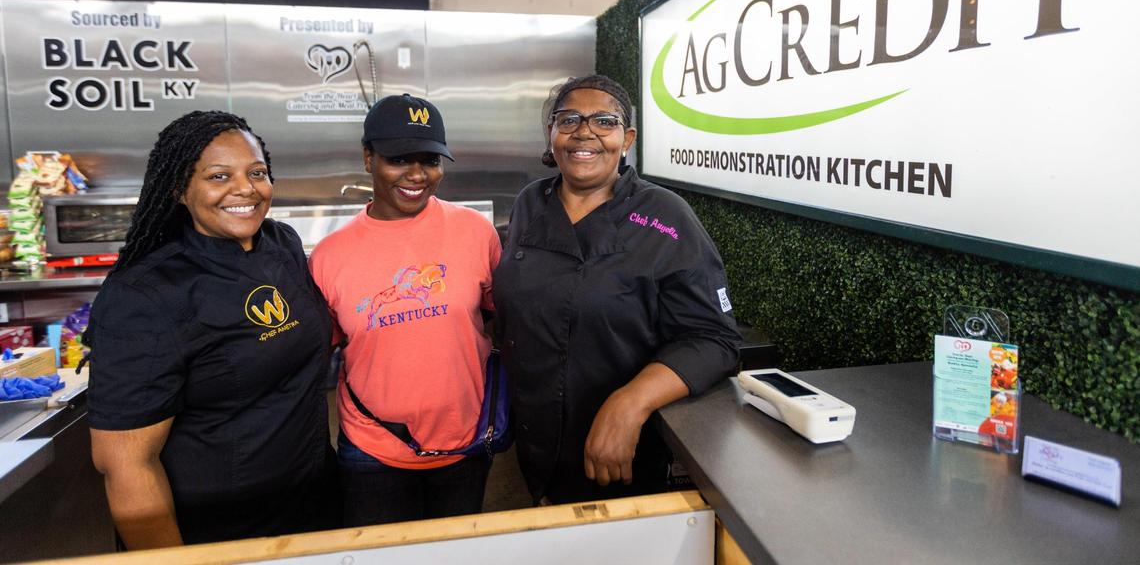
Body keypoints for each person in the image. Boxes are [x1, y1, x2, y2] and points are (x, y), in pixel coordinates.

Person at [86, 110, 337, 549]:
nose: (246, 188)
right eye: (219, 176)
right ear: (179, 189)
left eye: (257, 172)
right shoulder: (144, 296)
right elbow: (125, 464)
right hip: (221, 535)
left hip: (315, 510)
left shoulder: (282, 244)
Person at [493, 75, 741, 504]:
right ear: (551, 133)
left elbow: (714, 340)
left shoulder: (665, 215)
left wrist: (630, 403)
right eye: (569, 119)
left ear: (626, 139)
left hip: (623, 456)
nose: (584, 132)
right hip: (534, 437)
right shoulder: (530, 202)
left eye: (604, 121)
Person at [309, 93, 502, 525]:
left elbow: (498, 320)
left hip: (466, 443)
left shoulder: (477, 232)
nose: (417, 175)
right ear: (368, 158)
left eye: (430, 160)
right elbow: (318, 354)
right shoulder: (329, 256)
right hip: (372, 451)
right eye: (398, 159)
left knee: (454, 552)